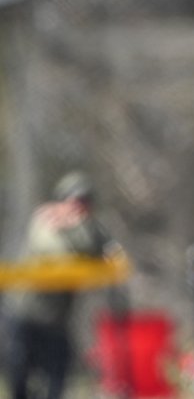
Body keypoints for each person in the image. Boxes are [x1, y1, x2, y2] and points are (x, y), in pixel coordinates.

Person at [5, 171, 120, 399]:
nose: (79, 208)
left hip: (56, 321)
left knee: (57, 380)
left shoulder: (88, 227)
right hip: (25, 316)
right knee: (19, 379)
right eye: (74, 201)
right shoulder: (45, 221)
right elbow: (57, 254)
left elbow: (112, 251)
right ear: (60, 201)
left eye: (85, 202)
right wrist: (79, 230)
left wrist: (83, 229)